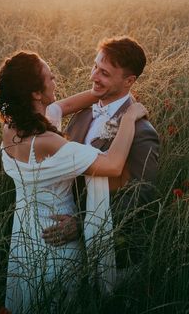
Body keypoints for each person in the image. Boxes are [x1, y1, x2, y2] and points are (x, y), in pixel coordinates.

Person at [0, 51, 148, 313]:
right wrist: (130, 116)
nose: (54, 78)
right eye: (48, 75)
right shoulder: (48, 142)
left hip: (24, 237)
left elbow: (62, 107)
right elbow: (112, 165)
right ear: (35, 94)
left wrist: (104, 89)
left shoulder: (11, 128)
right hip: (57, 242)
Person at [41, 36, 160, 271]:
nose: (94, 76)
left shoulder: (142, 132)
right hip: (62, 244)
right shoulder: (84, 112)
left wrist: (81, 223)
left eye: (104, 73)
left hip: (110, 250)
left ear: (129, 81)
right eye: (95, 66)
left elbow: (139, 196)